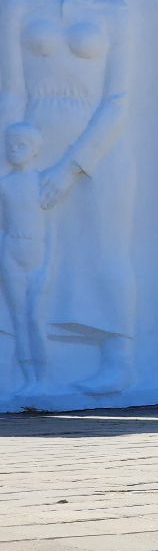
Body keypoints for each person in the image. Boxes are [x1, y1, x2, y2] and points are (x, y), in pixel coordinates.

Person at [0, 0, 135, 395]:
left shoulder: (111, 8)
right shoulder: (17, 4)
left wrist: (73, 165)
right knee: (32, 256)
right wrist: (19, 151)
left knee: (105, 249)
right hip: (34, 140)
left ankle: (117, 356)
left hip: (98, 146)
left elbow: (119, 98)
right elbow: (11, 89)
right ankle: (33, 364)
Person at [0, 122, 48, 394]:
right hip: (11, 252)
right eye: (11, 146)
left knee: (35, 318)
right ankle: (28, 378)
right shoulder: (4, 185)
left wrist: (49, 266)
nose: (15, 151)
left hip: (37, 253)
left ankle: (42, 378)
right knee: (18, 319)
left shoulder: (42, 182)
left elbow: (53, 230)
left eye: (22, 146)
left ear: (34, 150)